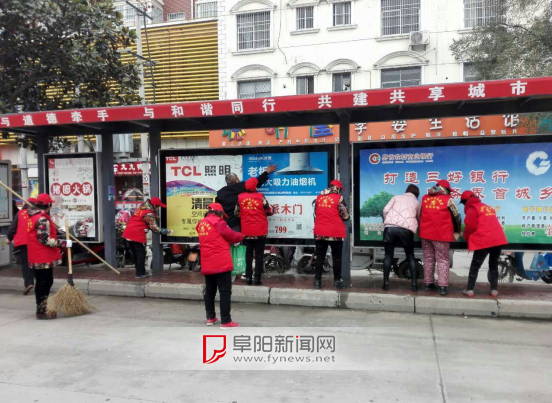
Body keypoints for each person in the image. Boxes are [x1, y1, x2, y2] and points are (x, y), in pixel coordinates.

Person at [196, 203, 244, 329]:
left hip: (207, 262)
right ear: (219, 213)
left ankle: (210, 317)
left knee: (210, 291)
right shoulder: (219, 222)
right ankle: (226, 321)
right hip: (221, 262)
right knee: (225, 292)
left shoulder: (201, 223)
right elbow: (232, 235)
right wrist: (242, 235)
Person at [27, 194, 71, 320]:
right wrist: (63, 243)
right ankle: (42, 311)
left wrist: (58, 231)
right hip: (43, 256)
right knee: (45, 282)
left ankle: (40, 309)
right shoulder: (42, 218)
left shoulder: (33, 217)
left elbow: (41, 233)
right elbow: (44, 239)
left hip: (35, 254)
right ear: (48, 205)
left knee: (40, 282)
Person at [460, 190, 508, 298]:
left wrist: (466, 237)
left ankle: (470, 290)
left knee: (475, 265)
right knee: (493, 265)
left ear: (466, 201)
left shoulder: (472, 209)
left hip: (485, 239)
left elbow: (470, 227)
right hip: (498, 239)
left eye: (463, 203)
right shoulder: (486, 207)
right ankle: (494, 290)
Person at [418, 179, 461, 296]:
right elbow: (457, 216)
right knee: (443, 260)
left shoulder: (425, 198)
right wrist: (457, 231)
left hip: (425, 234)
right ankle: (442, 287)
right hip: (441, 235)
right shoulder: (448, 200)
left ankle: (428, 284)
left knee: (428, 259)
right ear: (446, 189)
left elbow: (420, 214)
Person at [381, 185, 421, 292]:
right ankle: (414, 285)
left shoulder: (396, 197)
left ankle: (385, 284)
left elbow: (385, 210)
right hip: (406, 230)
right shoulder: (417, 203)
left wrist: (388, 221)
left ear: (406, 191)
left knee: (388, 256)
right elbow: (418, 218)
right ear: (417, 194)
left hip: (389, 229)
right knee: (410, 257)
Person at [235, 177, 273, 285]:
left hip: (246, 231)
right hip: (260, 231)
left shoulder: (240, 197)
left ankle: (248, 277)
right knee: (259, 255)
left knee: (248, 255)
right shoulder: (260, 197)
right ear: (255, 186)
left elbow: (236, 213)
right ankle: (257, 278)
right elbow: (269, 211)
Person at [216, 164, 278, 231]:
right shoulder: (242, 187)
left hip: (225, 224)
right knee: (238, 237)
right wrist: (267, 172)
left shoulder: (220, 192)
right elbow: (256, 182)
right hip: (237, 223)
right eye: (237, 178)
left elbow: (217, 208)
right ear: (236, 180)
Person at [313, 180, 350, 290]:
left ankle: (317, 281)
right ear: (337, 188)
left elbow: (316, 212)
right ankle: (337, 281)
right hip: (335, 232)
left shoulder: (319, 197)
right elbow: (345, 216)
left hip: (320, 231)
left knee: (320, 257)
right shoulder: (339, 198)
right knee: (337, 257)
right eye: (340, 189)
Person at [122, 197, 172, 278]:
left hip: (128, 233)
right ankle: (140, 274)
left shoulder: (141, 209)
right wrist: (167, 231)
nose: (158, 208)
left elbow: (142, 219)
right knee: (141, 254)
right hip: (136, 235)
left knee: (136, 254)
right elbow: (155, 228)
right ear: (155, 206)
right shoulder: (149, 213)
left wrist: (155, 218)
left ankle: (140, 271)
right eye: (158, 206)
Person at [6, 198, 37, 295]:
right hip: (35, 242)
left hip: (23, 242)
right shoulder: (38, 213)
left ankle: (29, 282)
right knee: (35, 261)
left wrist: (9, 238)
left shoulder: (20, 213)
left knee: (26, 262)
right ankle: (37, 282)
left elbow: (13, 228)